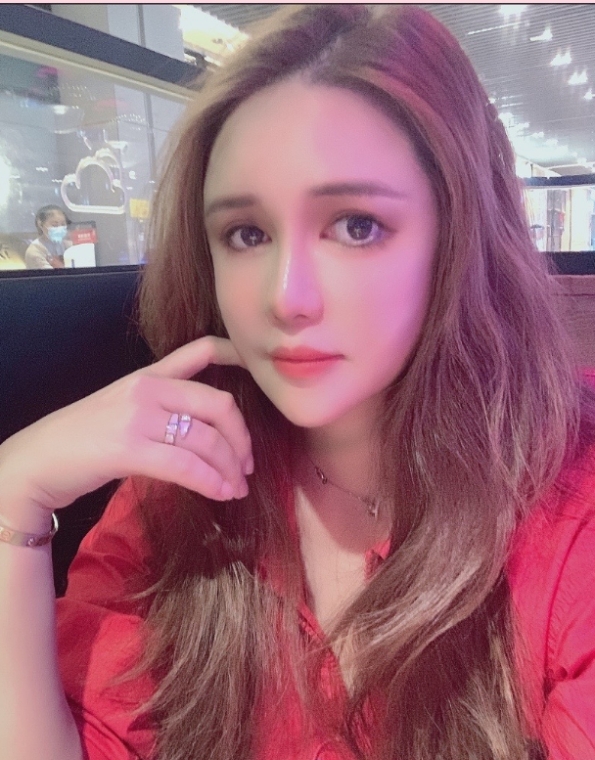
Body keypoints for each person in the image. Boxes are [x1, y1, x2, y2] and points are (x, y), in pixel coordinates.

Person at [0, 5, 594, 759]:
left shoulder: (566, 504)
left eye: (355, 226)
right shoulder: (182, 486)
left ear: (458, 238)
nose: (286, 297)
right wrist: (13, 494)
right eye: (247, 234)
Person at [24, 204, 71, 269]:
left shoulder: (67, 245)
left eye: (63, 224)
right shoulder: (35, 251)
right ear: (41, 224)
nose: (60, 228)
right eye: (55, 225)